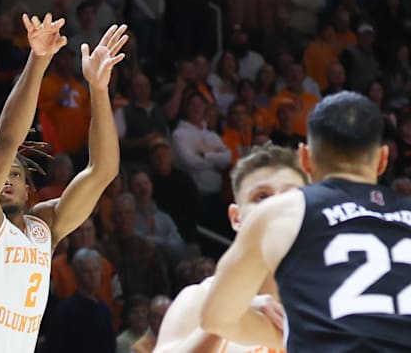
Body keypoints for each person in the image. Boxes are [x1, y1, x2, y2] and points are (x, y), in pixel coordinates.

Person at [0, 15, 127, 352]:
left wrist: (98, 90)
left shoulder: (44, 227)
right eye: (0, 173)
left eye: (16, 174)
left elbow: (102, 172)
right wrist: (38, 60)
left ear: (29, 189)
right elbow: (7, 140)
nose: (7, 179)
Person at [201, 92, 411, 351]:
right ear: (382, 160)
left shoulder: (281, 212)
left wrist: (284, 335)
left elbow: (216, 318)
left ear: (304, 158)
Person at [155, 143, 308, 352]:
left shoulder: (338, 298)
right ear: (236, 218)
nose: (275, 207)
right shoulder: (199, 299)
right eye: (261, 196)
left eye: (289, 196)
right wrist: (224, 316)